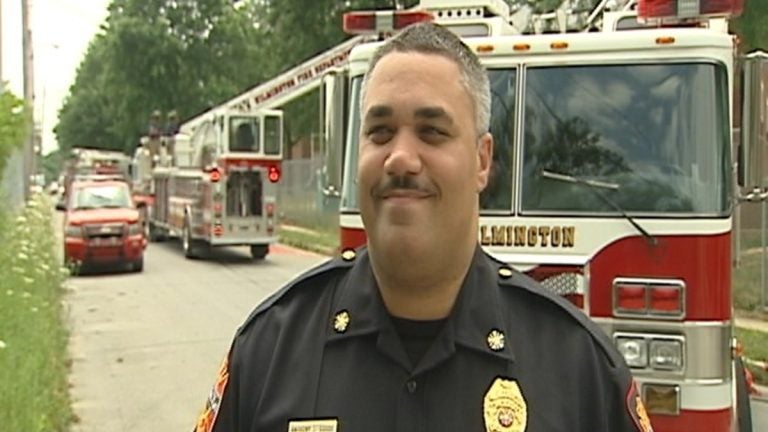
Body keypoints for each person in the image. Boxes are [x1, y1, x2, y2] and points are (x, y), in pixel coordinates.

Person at [194, 22, 653, 432]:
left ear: (481, 160)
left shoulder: (581, 369)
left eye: (432, 132)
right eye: (379, 132)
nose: (400, 158)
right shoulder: (269, 351)